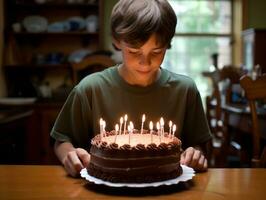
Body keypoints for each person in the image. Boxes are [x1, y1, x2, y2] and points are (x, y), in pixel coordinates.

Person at [51, 0, 212, 177]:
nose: (145, 62)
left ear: (168, 44)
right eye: (134, 52)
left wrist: (197, 154)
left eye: (157, 51)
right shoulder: (89, 90)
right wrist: (69, 154)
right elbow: (61, 140)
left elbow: (201, 146)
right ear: (116, 40)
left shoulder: (185, 90)